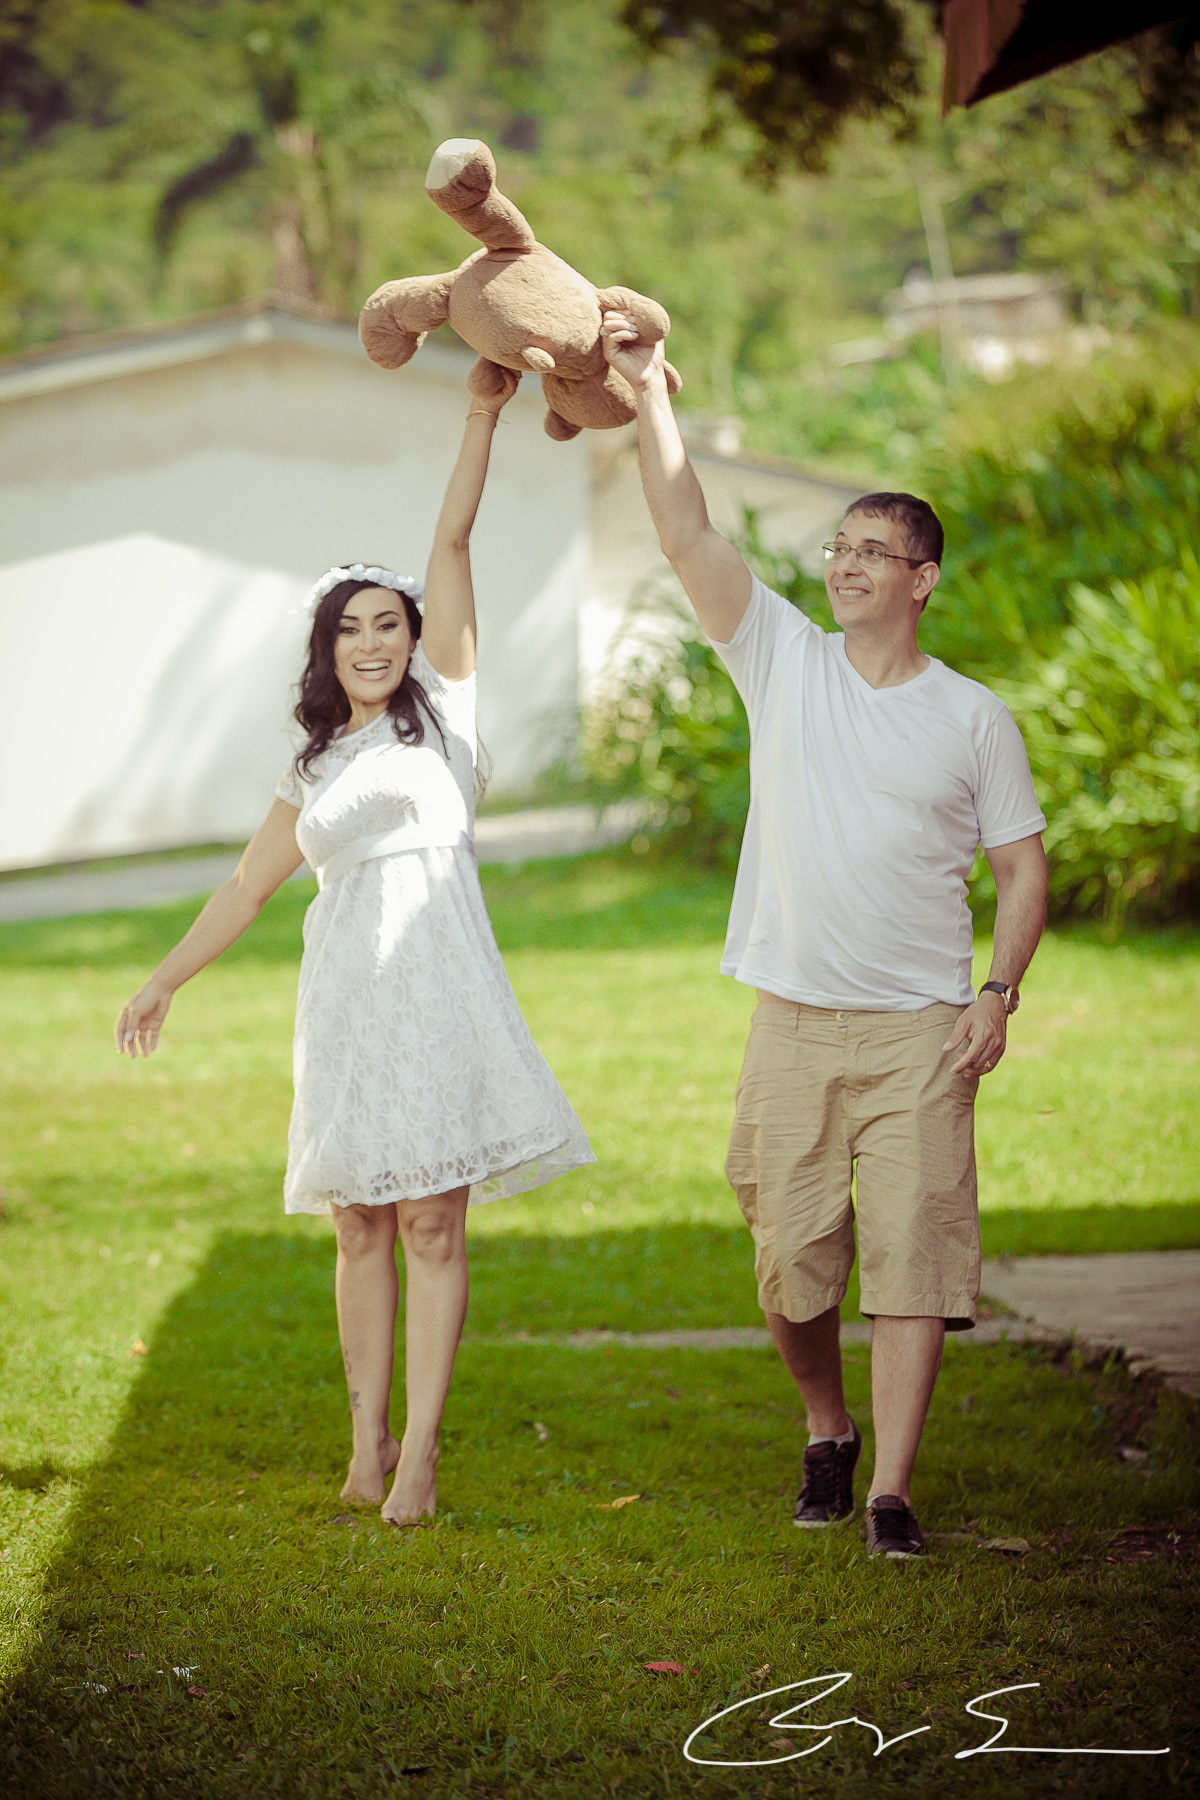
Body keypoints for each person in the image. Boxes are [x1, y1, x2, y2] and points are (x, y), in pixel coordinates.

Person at [601, 312, 1048, 1559]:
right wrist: (650, 399)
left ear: (924, 579)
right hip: (791, 1020)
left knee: (912, 1262)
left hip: (920, 1033)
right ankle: (827, 1425)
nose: (846, 564)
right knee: (791, 1262)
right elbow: (686, 530)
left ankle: (893, 1494)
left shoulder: (974, 721)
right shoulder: (780, 659)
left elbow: (1022, 868)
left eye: (874, 551)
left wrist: (997, 993)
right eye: (839, 546)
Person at [115, 372, 595, 1527]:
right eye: (352, 629)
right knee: (359, 1222)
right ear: (325, 652)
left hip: (438, 989)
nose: (374, 642)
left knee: (432, 1219)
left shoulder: (449, 718)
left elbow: (452, 534)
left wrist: (480, 413)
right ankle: (363, 1446)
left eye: (390, 624)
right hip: (345, 998)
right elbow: (245, 885)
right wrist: (164, 977)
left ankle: (422, 1453)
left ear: (415, 637)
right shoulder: (315, 767)